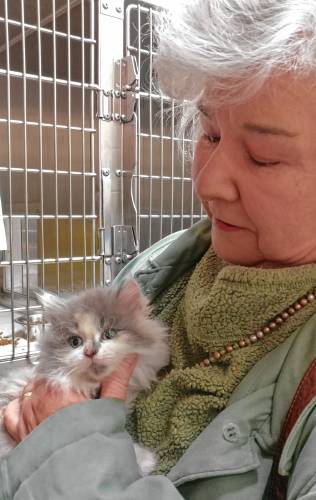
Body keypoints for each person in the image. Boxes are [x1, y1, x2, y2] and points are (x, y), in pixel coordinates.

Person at [2, 0, 316, 498]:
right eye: (209, 133)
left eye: (263, 158)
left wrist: (68, 448)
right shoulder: (163, 266)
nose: (209, 184)